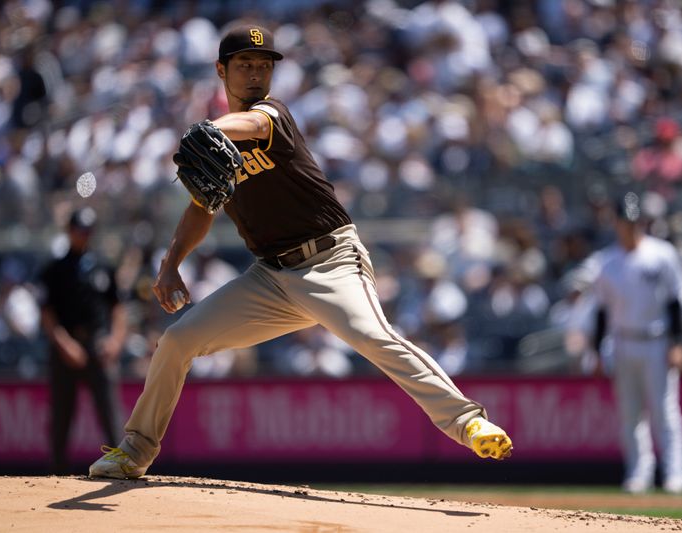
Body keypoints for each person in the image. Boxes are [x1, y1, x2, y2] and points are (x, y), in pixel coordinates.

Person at [88, 24, 512, 479]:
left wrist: (211, 126)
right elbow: (200, 209)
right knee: (176, 341)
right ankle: (135, 450)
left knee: (375, 338)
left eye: (264, 65)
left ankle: (469, 423)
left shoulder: (272, 115)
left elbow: (253, 123)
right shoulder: (218, 145)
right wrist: (171, 264)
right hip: (270, 278)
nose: (255, 73)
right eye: (245, 65)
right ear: (221, 69)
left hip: (329, 262)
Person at [592, 192, 682, 494]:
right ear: (617, 223)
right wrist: (597, 351)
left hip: (657, 340)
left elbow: (675, 302)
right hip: (623, 341)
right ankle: (639, 472)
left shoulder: (661, 254)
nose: (630, 227)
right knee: (630, 412)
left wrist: (678, 343)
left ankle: (676, 471)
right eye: (625, 221)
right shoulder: (607, 262)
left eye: (635, 221)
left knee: (665, 409)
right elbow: (601, 311)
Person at [40, 207, 127, 474]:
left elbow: (118, 308)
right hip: (66, 347)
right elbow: (47, 313)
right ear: (69, 232)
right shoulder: (55, 269)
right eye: (80, 230)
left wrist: (115, 341)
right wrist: (65, 344)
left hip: (98, 345)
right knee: (62, 415)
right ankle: (58, 472)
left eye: (88, 231)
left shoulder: (103, 266)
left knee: (110, 414)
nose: (84, 236)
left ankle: (121, 469)